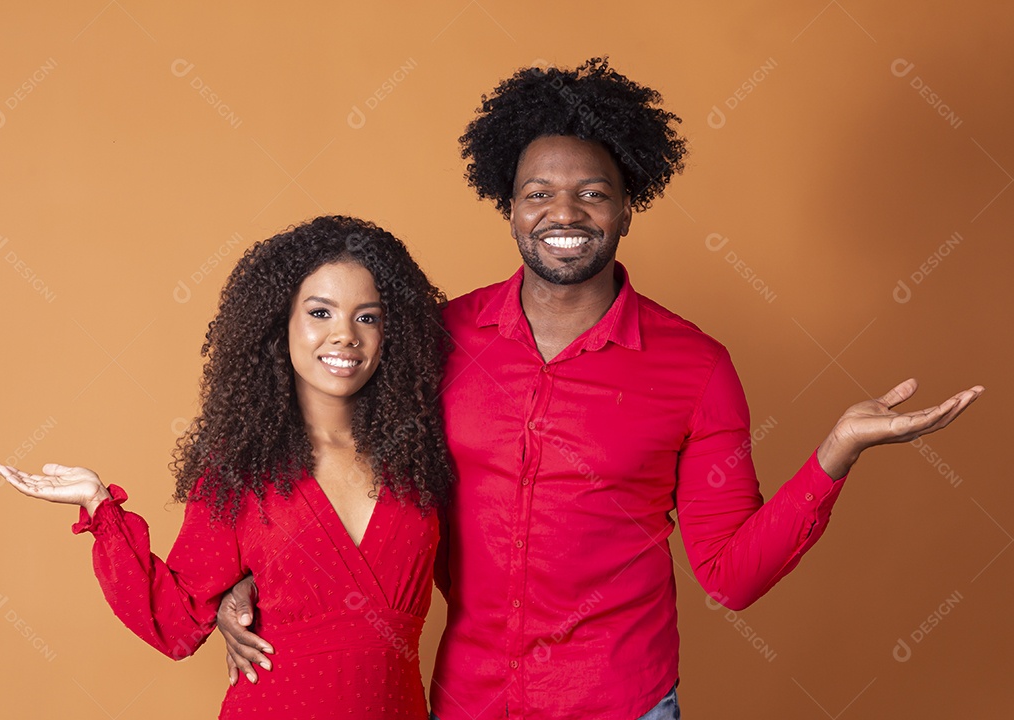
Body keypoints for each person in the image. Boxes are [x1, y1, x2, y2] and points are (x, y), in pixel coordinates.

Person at [218, 59, 983, 719]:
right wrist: (257, 576)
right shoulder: (437, 339)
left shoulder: (696, 368)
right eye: (538, 193)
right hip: (467, 699)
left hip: (623, 700)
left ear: (626, 208)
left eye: (592, 193)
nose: (564, 213)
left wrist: (836, 453)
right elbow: (340, 462)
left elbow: (731, 578)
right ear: (509, 208)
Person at [0, 215, 454, 719]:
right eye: (320, 312)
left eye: (368, 317)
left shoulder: (421, 458)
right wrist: (99, 507)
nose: (344, 335)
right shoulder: (241, 466)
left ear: (392, 333)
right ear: (279, 324)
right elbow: (176, 623)